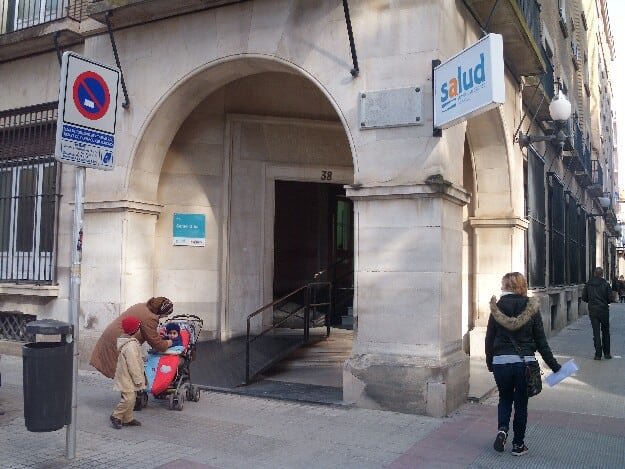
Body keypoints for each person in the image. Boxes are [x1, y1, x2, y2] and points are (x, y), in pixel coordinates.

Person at [485, 272, 561, 457]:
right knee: (520, 404)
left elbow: (489, 339)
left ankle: (502, 430)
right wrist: (555, 366)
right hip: (524, 364)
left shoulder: (497, 308)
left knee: (504, 398)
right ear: (522, 285)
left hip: (501, 362)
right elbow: (541, 341)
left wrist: (490, 363)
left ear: (505, 286)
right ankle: (518, 445)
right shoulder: (531, 308)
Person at [90, 297, 175, 379]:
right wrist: (169, 342)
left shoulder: (143, 306)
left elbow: (147, 331)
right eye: (166, 314)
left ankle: (129, 390)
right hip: (119, 339)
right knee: (126, 371)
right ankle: (131, 391)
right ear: (161, 311)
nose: (165, 317)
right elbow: (156, 343)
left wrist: (155, 334)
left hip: (114, 334)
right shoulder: (151, 317)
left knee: (123, 371)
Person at [110, 316, 147, 429]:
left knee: (132, 397)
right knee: (129, 398)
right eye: (139, 328)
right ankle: (116, 415)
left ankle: (128, 418)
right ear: (135, 330)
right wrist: (139, 380)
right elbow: (133, 365)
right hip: (127, 377)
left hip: (128, 377)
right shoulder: (130, 346)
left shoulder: (132, 343)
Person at [582, 267, 612, 360]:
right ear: (602, 274)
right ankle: (607, 353)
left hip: (593, 310)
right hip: (603, 310)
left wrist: (591, 302)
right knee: (605, 331)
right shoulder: (606, 285)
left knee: (596, 332)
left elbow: (584, 297)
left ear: (594, 273)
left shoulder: (588, 284)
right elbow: (610, 299)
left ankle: (598, 354)